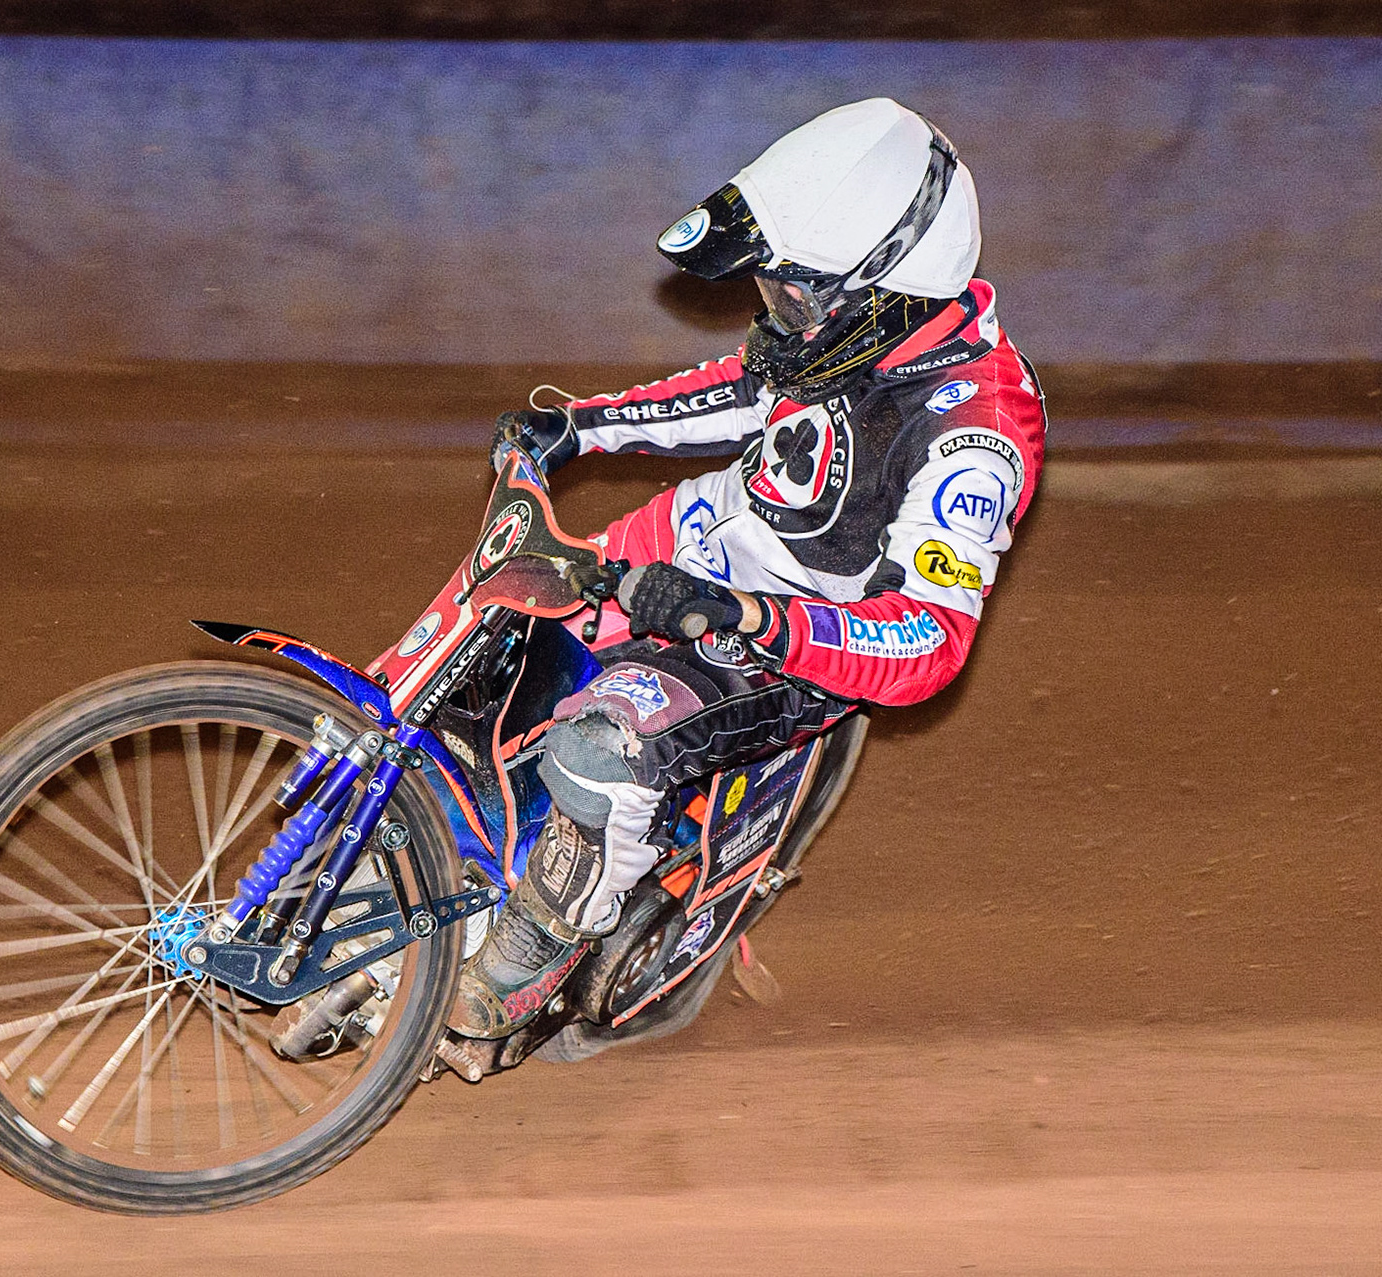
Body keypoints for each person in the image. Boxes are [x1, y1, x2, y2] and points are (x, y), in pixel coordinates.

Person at [447, 97, 1047, 1039]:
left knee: (602, 745)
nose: (775, 314)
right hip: (697, 547)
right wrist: (582, 425)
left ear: (880, 288)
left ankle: (521, 969)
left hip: (790, 640)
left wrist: (743, 615)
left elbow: (928, 640)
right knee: (486, 642)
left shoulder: (975, 433)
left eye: (790, 295)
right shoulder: (846, 330)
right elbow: (741, 389)